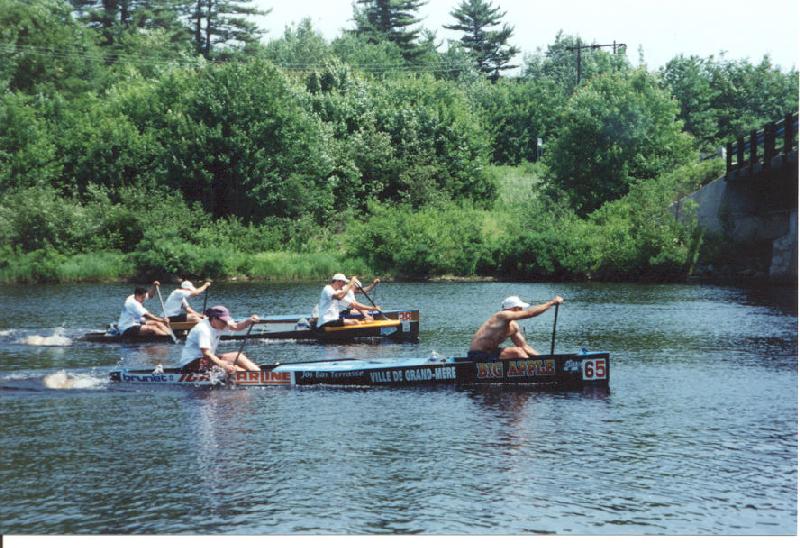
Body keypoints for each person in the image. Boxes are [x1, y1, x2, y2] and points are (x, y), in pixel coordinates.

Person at [467, 295, 564, 360]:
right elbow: (529, 313)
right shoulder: (501, 315)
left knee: (521, 350)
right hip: (477, 355)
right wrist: (551, 303)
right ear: (512, 309)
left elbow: (525, 347)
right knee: (517, 352)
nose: (522, 310)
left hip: (491, 353)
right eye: (520, 308)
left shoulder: (513, 327)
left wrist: (545, 360)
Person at [180, 305, 260, 374]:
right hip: (190, 365)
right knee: (233, 368)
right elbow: (207, 354)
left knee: (239, 356)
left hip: (206, 360)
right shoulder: (203, 329)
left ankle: (259, 373)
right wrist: (224, 366)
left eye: (226, 321)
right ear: (214, 318)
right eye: (223, 321)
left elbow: (236, 326)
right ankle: (250, 376)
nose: (225, 324)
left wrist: (249, 321)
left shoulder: (219, 323)